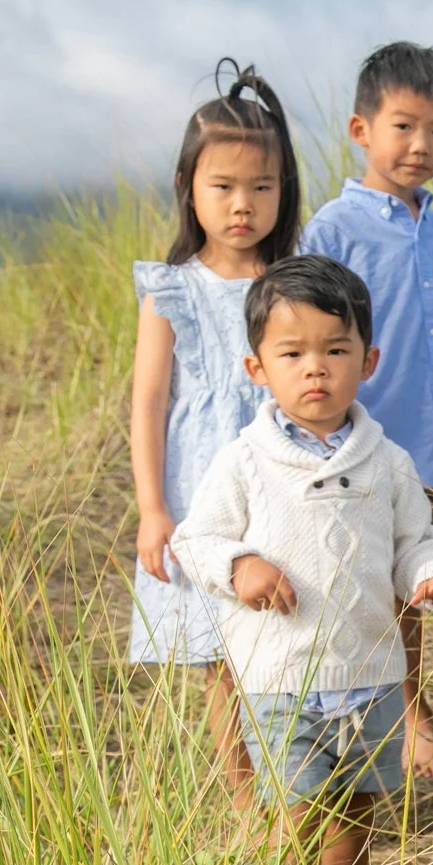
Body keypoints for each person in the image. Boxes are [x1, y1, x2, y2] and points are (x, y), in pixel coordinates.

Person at [171, 255, 433, 865]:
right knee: (299, 808)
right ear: (257, 368)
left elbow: (415, 540)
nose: (316, 369)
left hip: (369, 669)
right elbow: (195, 540)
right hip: (282, 675)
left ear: (368, 361)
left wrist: (432, 575)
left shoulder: (387, 461)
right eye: (293, 353)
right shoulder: (246, 460)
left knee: (357, 805)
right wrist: (239, 565)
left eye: (335, 351)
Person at [300, 41, 433, 781]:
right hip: (381, 446)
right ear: (362, 131)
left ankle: (409, 683)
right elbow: (311, 329)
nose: (422, 145)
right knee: (401, 588)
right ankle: (410, 712)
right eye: (404, 127)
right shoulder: (335, 228)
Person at [128, 60, 301, 812]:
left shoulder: (294, 281)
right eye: (223, 186)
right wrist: (152, 509)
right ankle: (244, 807)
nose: (242, 205)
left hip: (282, 483)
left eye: (261, 187)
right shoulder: (172, 289)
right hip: (202, 493)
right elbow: (148, 402)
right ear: (188, 187)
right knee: (221, 660)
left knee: (292, 642)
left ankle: (302, 792)